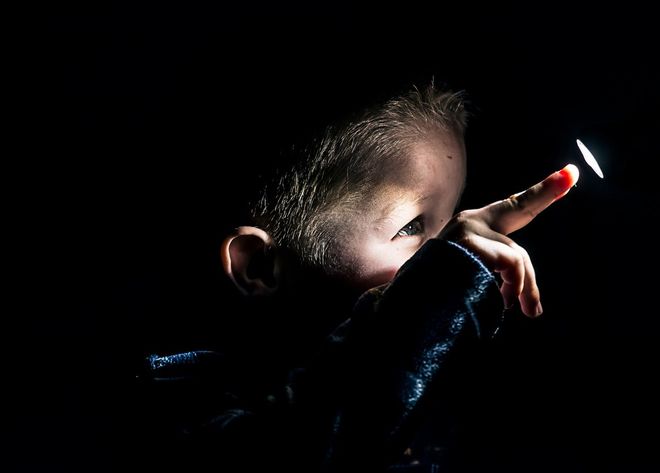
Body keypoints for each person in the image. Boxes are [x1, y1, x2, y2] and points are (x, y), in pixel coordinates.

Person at [135, 80, 579, 472]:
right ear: (261, 265)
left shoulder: (443, 402)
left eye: (448, 224)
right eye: (411, 227)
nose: (449, 246)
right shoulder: (180, 405)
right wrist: (442, 281)